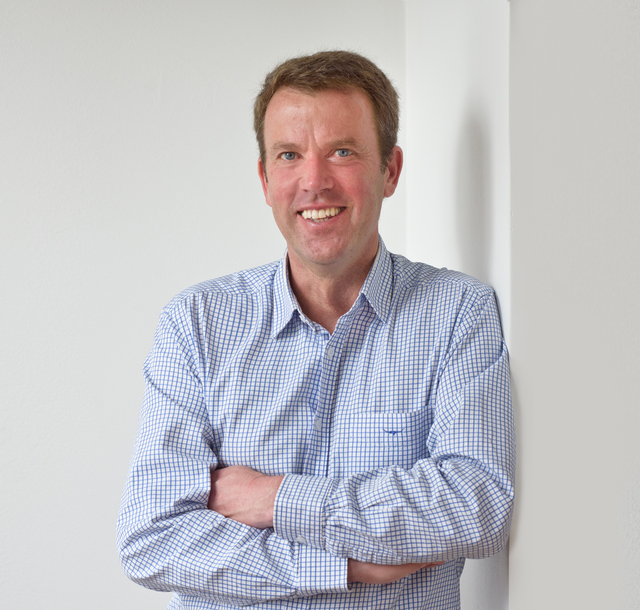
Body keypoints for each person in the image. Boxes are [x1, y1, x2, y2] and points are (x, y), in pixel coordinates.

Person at [117, 50, 515, 610]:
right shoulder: (197, 323)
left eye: (342, 152)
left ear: (390, 170)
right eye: (289, 155)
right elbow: (152, 537)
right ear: (265, 179)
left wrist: (274, 498)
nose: (314, 182)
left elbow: (477, 505)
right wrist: (343, 567)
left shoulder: (458, 313)